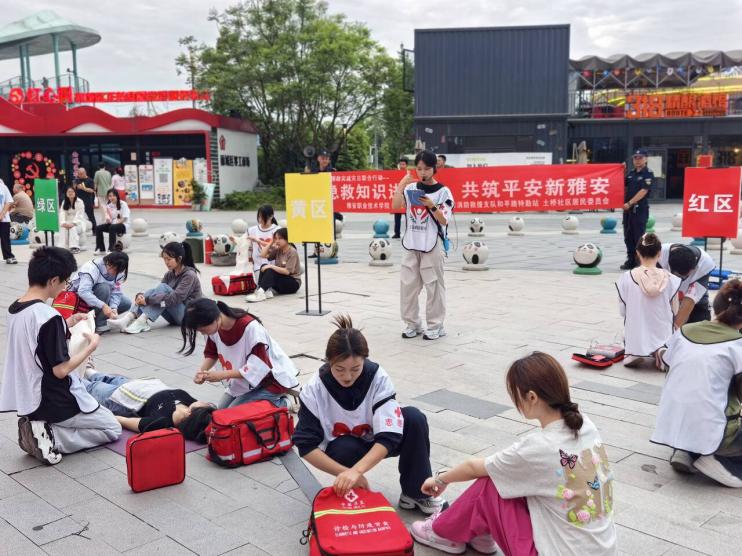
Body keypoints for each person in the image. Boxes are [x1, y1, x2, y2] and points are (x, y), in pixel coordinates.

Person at [410, 352, 616, 555]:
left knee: (491, 484)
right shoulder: (585, 424)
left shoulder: (539, 447)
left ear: (532, 397)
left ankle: (442, 532)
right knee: (510, 478)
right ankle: (480, 532)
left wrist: (440, 479)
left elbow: (474, 467)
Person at [293, 315, 446, 515]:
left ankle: (416, 492)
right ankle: (351, 490)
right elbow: (305, 445)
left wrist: (357, 471)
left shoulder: (377, 377)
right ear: (328, 361)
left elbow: (389, 435)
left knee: (414, 418)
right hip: (344, 448)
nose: (347, 376)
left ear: (364, 360)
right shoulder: (314, 389)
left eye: (355, 369)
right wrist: (347, 473)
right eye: (339, 369)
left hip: (379, 441)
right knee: (343, 447)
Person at [0, 247, 122, 464]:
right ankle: (51, 437)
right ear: (53, 280)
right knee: (112, 428)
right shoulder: (49, 316)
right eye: (65, 281)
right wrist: (90, 347)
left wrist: (67, 323)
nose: (66, 286)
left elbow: (36, 339)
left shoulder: (15, 308)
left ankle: (39, 429)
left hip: (30, 395)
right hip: (56, 399)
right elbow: (61, 370)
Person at [653, 279, 742, 487]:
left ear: (715, 307)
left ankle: (686, 450)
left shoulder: (684, 331)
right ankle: (714, 459)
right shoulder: (737, 345)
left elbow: (665, 360)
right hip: (716, 433)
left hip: (674, 424)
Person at [180, 298, 299, 409]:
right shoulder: (215, 327)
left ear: (215, 318)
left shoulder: (251, 328)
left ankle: (283, 404)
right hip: (244, 381)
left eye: (202, 330)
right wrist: (201, 371)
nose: (202, 333)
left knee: (232, 414)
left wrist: (222, 375)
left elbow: (258, 367)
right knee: (221, 412)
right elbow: (212, 353)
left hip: (271, 381)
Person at [391, 150, 454, 340]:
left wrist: (431, 205)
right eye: (419, 169)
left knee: (434, 285)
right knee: (408, 286)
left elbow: (444, 220)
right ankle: (413, 323)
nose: (422, 173)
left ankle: (436, 325)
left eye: (426, 169)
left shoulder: (443, 192)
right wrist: (401, 186)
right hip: (412, 244)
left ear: (434, 168)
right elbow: (395, 206)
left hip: (432, 246)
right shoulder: (411, 188)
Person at [81, 363, 215, 440]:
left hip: (119, 398)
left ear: (190, 413)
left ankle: (74, 375)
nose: (208, 403)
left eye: (207, 406)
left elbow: (122, 420)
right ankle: (88, 370)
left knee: (90, 387)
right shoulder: (190, 404)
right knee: (109, 378)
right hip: (138, 385)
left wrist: (101, 414)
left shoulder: (161, 422)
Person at [108, 241, 203, 334]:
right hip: (173, 316)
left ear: (179, 259)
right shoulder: (170, 274)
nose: (166, 262)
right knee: (153, 291)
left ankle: (142, 321)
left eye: (169, 259)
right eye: (164, 259)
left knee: (162, 289)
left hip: (186, 316)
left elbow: (176, 298)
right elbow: (158, 293)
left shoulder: (189, 275)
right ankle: (126, 319)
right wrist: (142, 296)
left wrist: (147, 300)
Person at [616, 233, 681, 367]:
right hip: (662, 331)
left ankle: (634, 353)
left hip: (637, 330)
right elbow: (675, 311)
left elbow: (623, 311)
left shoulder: (626, 277)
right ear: (659, 253)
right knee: (668, 333)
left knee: (629, 331)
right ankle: (661, 350)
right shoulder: (670, 279)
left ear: (637, 253)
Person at [68, 252, 131, 333]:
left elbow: (116, 292)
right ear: (108, 263)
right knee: (104, 288)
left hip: (99, 298)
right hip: (80, 300)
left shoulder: (119, 272)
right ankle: (100, 323)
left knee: (126, 303)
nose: (115, 273)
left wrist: (113, 308)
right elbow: (83, 292)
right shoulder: (91, 268)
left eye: (119, 271)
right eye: (114, 269)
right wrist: (103, 305)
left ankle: (96, 318)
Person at [658, 243, 715, 327]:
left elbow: (690, 301)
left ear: (694, 268)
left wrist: (674, 329)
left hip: (696, 305)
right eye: (678, 276)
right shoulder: (658, 256)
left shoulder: (704, 264)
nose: (681, 280)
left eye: (685, 277)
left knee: (700, 324)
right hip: (664, 297)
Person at [246, 227, 302, 302]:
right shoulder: (278, 250)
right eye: (276, 238)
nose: (277, 241)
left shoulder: (292, 252)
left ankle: (261, 293)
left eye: (280, 238)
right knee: (263, 266)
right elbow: (263, 255)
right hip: (282, 280)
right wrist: (271, 242)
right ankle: (264, 291)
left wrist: (271, 266)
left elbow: (287, 272)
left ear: (287, 239)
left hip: (292, 284)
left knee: (270, 269)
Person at [620, 148, 655, 270]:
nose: (637, 160)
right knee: (628, 236)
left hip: (639, 209)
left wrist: (630, 203)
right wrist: (622, 171)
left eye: (640, 158)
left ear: (646, 159)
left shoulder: (648, 173)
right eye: (635, 158)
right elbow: (621, 184)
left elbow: (644, 191)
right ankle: (630, 260)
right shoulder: (631, 173)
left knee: (639, 236)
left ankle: (640, 260)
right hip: (628, 210)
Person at [247, 204, 279, 282]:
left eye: (263, 217)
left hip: (274, 266)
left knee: (267, 285)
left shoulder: (278, 230)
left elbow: (278, 247)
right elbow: (247, 246)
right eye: (259, 217)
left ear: (271, 216)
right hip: (258, 265)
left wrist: (258, 241)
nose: (260, 220)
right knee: (261, 285)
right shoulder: (252, 230)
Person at [94, 188, 131, 254]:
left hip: (123, 225)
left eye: (113, 195)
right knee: (98, 228)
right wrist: (108, 220)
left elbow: (124, 218)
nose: (112, 197)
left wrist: (115, 223)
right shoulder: (109, 206)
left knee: (112, 227)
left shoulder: (123, 204)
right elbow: (110, 219)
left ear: (117, 196)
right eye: (110, 196)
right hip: (113, 225)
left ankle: (111, 249)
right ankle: (101, 249)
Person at [59, 186, 86, 254]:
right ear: (66, 193)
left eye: (72, 192)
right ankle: (63, 246)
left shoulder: (80, 202)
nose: (70, 193)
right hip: (67, 221)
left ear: (75, 193)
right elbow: (62, 213)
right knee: (63, 228)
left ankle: (74, 247)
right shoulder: (64, 201)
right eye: (69, 192)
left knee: (72, 228)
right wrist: (63, 223)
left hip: (78, 223)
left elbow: (80, 215)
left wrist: (73, 223)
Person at [74, 167, 96, 233]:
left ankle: (95, 230)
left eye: (81, 174)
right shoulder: (77, 180)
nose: (80, 175)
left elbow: (92, 190)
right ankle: (77, 230)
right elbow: (74, 189)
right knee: (77, 216)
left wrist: (83, 188)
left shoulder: (90, 180)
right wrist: (74, 186)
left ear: (85, 173)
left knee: (91, 216)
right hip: (78, 201)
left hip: (87, 201)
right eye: (79, 174)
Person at [0, 178, 16, 264]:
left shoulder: (3, 187)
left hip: (4, 219)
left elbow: (9, 201)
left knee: (5, 238)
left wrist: (2, 214)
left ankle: (9, 256)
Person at [392, 157, 409, 239]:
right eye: (401, 164)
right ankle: (397, 233)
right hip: (398, 197)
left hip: (406, 197)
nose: (402, 166)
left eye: (403, 164)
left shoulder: (409, 174)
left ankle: (409, 232)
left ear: (406, 165)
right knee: (397, 215)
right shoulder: (396, 173)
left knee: (408, 216)